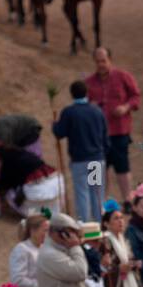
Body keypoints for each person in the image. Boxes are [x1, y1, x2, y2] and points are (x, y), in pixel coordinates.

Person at [84, 46, 141, 204]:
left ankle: (128, 201)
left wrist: (125, 107)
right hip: (97, 134)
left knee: (122, 168)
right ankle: (99, 203)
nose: (101, 64)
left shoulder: (123, 77)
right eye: (97, 61)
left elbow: (136, 97)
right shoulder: (88, 82)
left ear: (110, 60)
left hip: (119, 131)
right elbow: (83, 104)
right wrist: (91, 107)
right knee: (98, 168)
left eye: (103, 61)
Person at [52, 80, 108, 223]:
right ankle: (99, 224)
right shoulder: (96, 111)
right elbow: (104, 135)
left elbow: (59, 132)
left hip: (80, 161)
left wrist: (54, 124)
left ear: (72, 94)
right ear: (87, 93)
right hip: (96, 159)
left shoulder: (69, 112)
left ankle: (84, 225)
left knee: (82, 194)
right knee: (96, 194)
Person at [7, 212, 49, 287]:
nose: (47, 234)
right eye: (44, 230)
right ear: (33, 230)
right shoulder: (22, 249)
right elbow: (18, 279)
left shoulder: (43, 249)